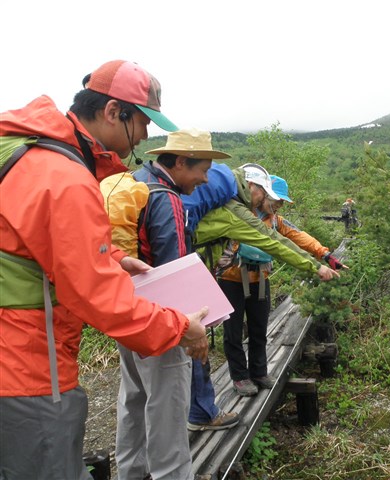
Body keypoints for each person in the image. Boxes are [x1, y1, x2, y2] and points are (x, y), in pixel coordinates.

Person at [0, 60, 209, 480]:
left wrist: (110, 257)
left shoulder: (21, 148)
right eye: (143, 122)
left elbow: (28, 240)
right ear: (114, 111)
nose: (147, 136)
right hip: (27, 367)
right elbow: (97, 297)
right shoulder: (64, 177)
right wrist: (178, 327)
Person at [114, 129, 240, 479]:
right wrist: (191, 331)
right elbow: (173, 273)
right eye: (203, 169)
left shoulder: (136, 183)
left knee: (133, 403)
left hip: (127, 314)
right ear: (181, 162)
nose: (204, 179)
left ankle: (131, 473)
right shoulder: (165, 198)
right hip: (161, 324)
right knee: (168, 412)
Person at [182, 163, 340, 410]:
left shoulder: (275, 220)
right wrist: (315, 265)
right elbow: (274, 244)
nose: (278, 205)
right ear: (260, 191)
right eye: (275, 199)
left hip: (260, 280)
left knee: (259, 328)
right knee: (233, 332)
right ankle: (239, 377)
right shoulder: (239, 214)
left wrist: (324, 254)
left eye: (280, 202)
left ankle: (259, 372)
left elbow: (299, 237)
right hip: (230, 279)